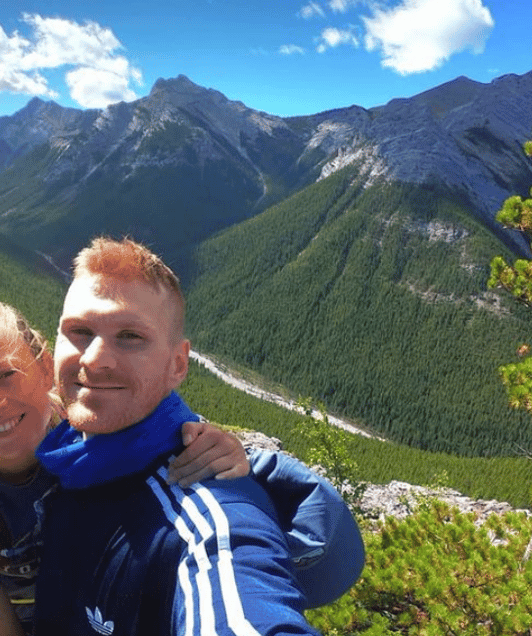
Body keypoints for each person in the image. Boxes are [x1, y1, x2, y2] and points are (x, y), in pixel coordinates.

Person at [34, 237, 356, 635]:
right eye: (79, 331)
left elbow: (238, 602)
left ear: (178, 364)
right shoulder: (60, 447)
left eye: (130, 336)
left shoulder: (207, 514)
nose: (95, 358)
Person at [0, 300, 254, 636]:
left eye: (6, 375)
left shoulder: (94, 427)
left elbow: (165, 441)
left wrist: (223, 452)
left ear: (46, 368)